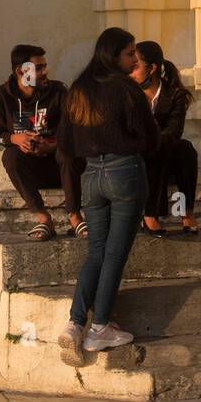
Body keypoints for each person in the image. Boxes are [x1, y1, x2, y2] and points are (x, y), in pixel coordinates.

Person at [56, 28, 161, 365]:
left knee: (96, 253)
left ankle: (75, 324)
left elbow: (66, 147)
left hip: (91, 177)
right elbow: (150, 139)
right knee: (114, 254)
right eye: (130, 54)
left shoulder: (78, 91)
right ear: (114, 55)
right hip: (124, 173)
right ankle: (99, 326)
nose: (135, 60)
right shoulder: (126, 89)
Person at [0, 44, 86, 241]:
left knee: (68, 151)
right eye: (38, 68)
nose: (44, 72)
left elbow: (75, 130)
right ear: (20, 71)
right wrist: (16, 138)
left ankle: (75, 217)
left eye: (44, 66)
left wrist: (51, 146)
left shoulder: (59, 91)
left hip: (61, 166)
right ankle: (43, 218)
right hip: (31, 170)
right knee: (10, 156)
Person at [132, 40, 199, 237]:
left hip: (163, 150)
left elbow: (174, 130)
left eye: (135, 66)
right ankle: (150, 214)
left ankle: (185, 211)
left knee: (184, 148)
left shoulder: (175, 94)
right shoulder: (128, 93)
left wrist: (155, 141)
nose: (131, 71)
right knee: (155, 150)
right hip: (137, 154)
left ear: (152, 68)